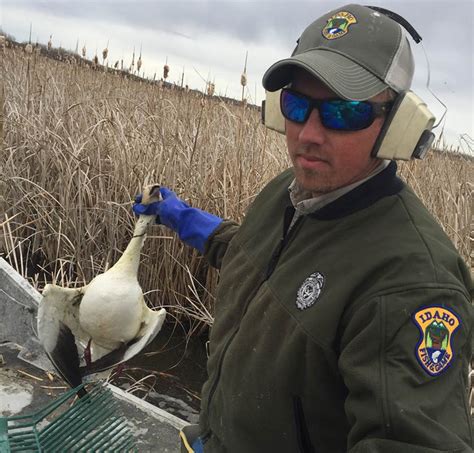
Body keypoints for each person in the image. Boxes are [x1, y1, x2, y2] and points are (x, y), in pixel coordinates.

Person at [134, 4, 473, 452]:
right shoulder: (289, 191)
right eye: (297, 105)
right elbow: (260, 258)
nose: (309, 134)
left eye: (344, 112)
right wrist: (182, 217)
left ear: (397, 126)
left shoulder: (409, 282)